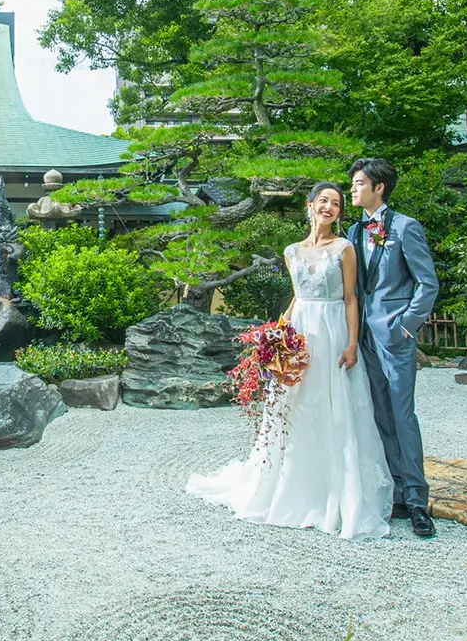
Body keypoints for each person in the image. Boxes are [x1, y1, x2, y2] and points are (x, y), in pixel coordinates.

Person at [186, 181, 393, 540]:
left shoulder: (344, 249)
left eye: (337, 204)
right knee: (292, 406)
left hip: (331, 332)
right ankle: (285, 483)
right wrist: (276, 336)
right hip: (299, 332)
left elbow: (350, 299)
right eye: (323, 201)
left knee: (333, 406)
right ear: (310, 206)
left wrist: (352, 342)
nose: (329, 207)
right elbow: (297, 298)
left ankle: (334, 490)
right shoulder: (292, 251)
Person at [347, 157, 439, 539]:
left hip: (394, 335)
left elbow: (427, 284)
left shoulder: (405, 227)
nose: (352, 189)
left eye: (358, 183)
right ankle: (397, 494)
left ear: (378, 187)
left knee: (403, 416)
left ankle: (418, 501)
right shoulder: (353, 231)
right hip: (364, 338)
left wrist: (406, 325)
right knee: (380, 416)